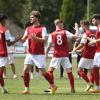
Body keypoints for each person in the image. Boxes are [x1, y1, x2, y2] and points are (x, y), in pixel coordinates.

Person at [20, 10, 57, 94]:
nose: (30, 18)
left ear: (37, 18)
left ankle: (53, 85)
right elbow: (23, 40)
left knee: (43, 72)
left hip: (39, 54)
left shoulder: (43, 28)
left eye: (32, 17)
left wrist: (35, 38)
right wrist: (19, 39)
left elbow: (45, 40)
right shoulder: (28, 28)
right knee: (25, 70)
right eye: (30, 17)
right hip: (30, 53)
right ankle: (27, 89)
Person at [46, 19, 77, 93]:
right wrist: (77, 29)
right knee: (69, 72)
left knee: (50, 71)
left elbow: (49, 45)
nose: (62, 25)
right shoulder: (65, 32)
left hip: (56, 55)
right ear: (58, 24)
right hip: (65, 55)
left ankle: (52, 87)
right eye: (61, 24)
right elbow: (75, 37)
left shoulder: (52, 34)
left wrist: (46, 53)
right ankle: (72, 89)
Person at [0, 13, 21, 93]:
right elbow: (8, 44)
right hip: (2, 53)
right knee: (0, 72)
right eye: (6, 19)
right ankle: (4, 88)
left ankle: (4, 88)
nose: (7, 21)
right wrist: (17, 39)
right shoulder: (5, 30)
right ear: (3, 20)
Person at [72, 20, 96, 92]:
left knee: (79, 70)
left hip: (86, 55)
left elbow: (82, 44)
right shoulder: (93, 33)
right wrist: (80, 50)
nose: (81, 27)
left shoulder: (86, 33)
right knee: (91, 71)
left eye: (81, 26)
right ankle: (91, 87)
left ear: (84, 25)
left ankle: (89, 83)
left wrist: (75, 49)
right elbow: (87, 44)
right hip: (93, 54)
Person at [88, 14, 100, 93]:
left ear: (97, 19)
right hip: (97, 51)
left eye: (93, 20)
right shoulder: (98, 27)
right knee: (95, 69)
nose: (92, 21)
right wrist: (94, 42)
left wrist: (95, 41)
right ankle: (98, 88)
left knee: (95, 69)